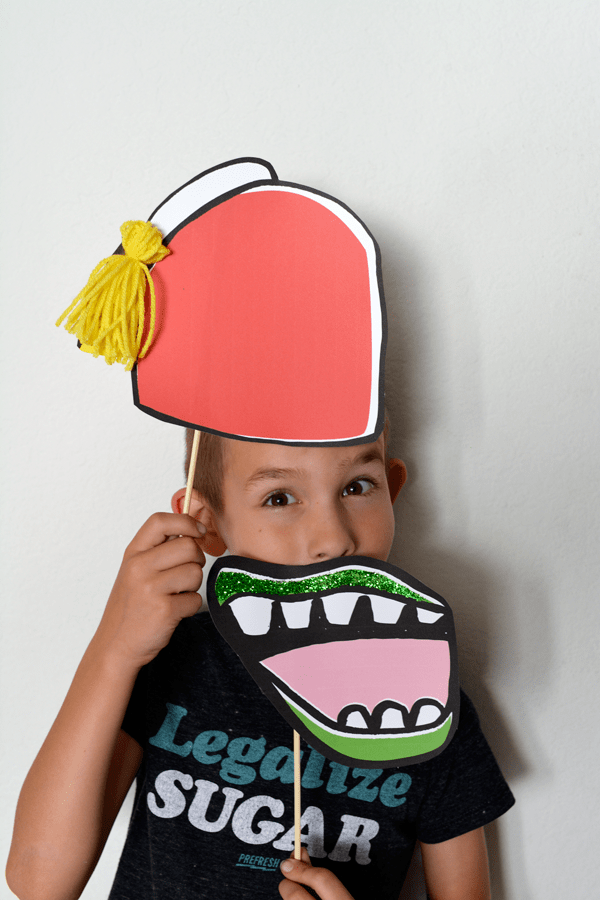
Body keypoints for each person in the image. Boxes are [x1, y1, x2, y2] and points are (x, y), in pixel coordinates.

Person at [7, 424, 514, 900]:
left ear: (394, 487)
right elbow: (39, 879)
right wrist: (114, 648)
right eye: (279, 498)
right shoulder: (169, 661)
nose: (333, 537)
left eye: (358, 486)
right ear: (204, 523)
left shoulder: (425, 707)